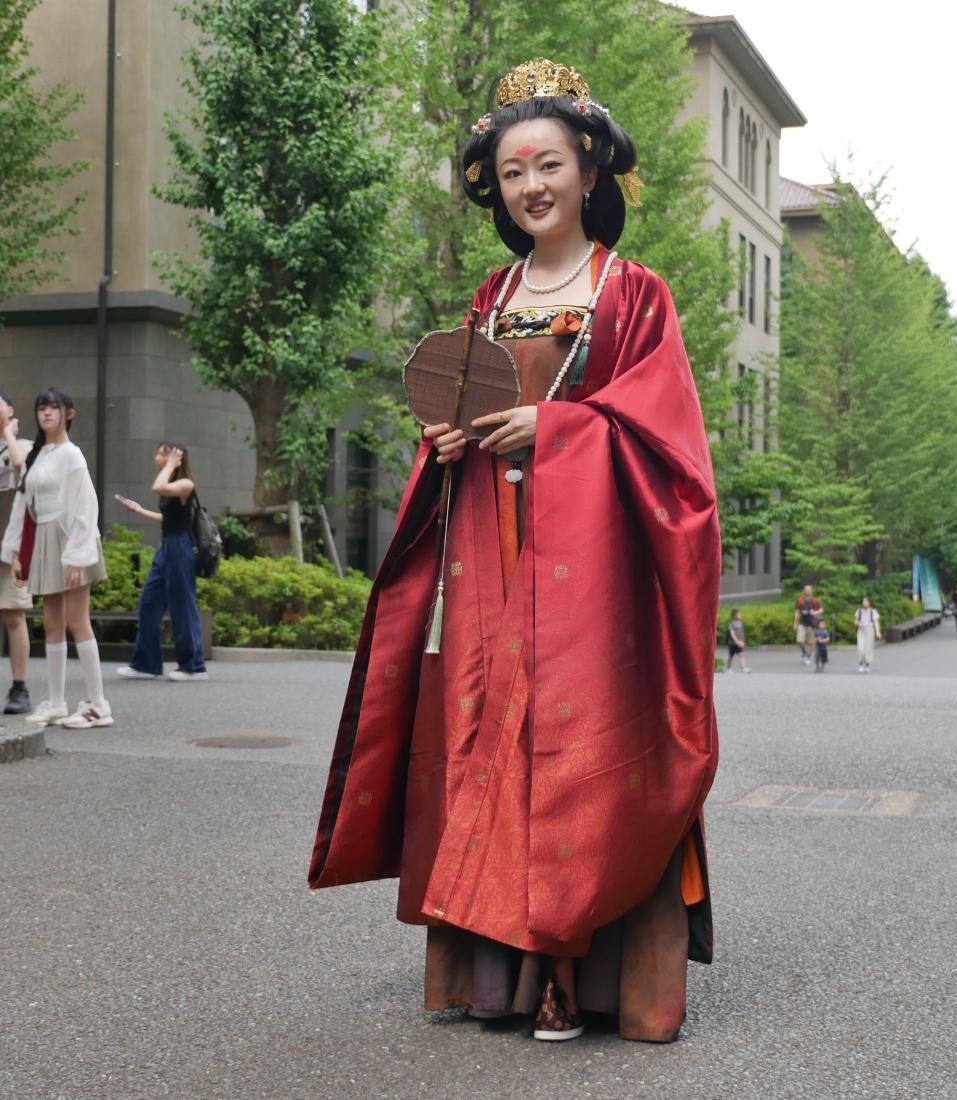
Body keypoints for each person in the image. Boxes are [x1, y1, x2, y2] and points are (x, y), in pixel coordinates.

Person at [310, 60, 720, 1045]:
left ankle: (583, 973)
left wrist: (560, 431)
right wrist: (444, 442)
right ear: (491, 190)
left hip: (596, 567)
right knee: (492, 734)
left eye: (547, 164)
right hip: (493, 563)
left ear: (588, 171)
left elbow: (671, 447)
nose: (530, 186)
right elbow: (460, 409)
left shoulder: (635, 295)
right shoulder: (489, 295)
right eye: (509, 172)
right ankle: (501, 975)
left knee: (584, 745)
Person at [3, 389, 112, 728]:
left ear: (69, 413)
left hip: (70, 538)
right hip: (45, 539)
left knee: (77, 621)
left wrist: (78, 556)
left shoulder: (71, 455)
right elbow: (24, 504)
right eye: (42, 407)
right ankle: (56, 702)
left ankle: (98, 705)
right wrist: (17, 552)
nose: (47, 413)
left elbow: (85, 506)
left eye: (54, 407)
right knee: (51, 623)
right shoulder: (39, 454)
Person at [116, 444, 208, 682]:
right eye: (158, 454)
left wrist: (170, 465)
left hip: (181, 547)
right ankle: (146, 663)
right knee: (148, 601)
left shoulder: (185, 483)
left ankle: (193, 666)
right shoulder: (172, 486)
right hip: (168, 546)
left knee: (182, 605)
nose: (157, 458)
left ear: (177, 460)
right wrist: (140, 511)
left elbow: (158, 486)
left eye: (163, 454)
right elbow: (168, 519)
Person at [0, 393, 34, 714]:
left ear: (10, 410)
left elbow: (20, 465)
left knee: (13, 614)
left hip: (9, 547)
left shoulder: (23, 443)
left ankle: (19, 689)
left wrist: (7, 431)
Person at [794, 584, 822, 665]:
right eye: (806, 589)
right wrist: (795, 623)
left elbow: (821, 610)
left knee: (811, 642)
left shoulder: (815, 600)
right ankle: (804, 652)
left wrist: (814, 612)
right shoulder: (800, 600)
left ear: (811, 591)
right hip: (802, 623)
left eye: (809, 589)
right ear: (803, 591)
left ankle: (808, 656)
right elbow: (797, 612)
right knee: (799, 640)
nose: (807, 591)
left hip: (811, 623)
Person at [853, 597, 882, 673]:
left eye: (866, 601)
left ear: (869, 603)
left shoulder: (873, 611)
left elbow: (876, 622)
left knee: (868, 648)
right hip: (861, 630)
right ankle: (860, 664)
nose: (865, 603)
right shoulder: (859, 611)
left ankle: (867, 665)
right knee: (860, 648)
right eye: (863, 601)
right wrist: (858, 622)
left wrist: (878, 632)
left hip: (869, 629)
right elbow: (855, 622)